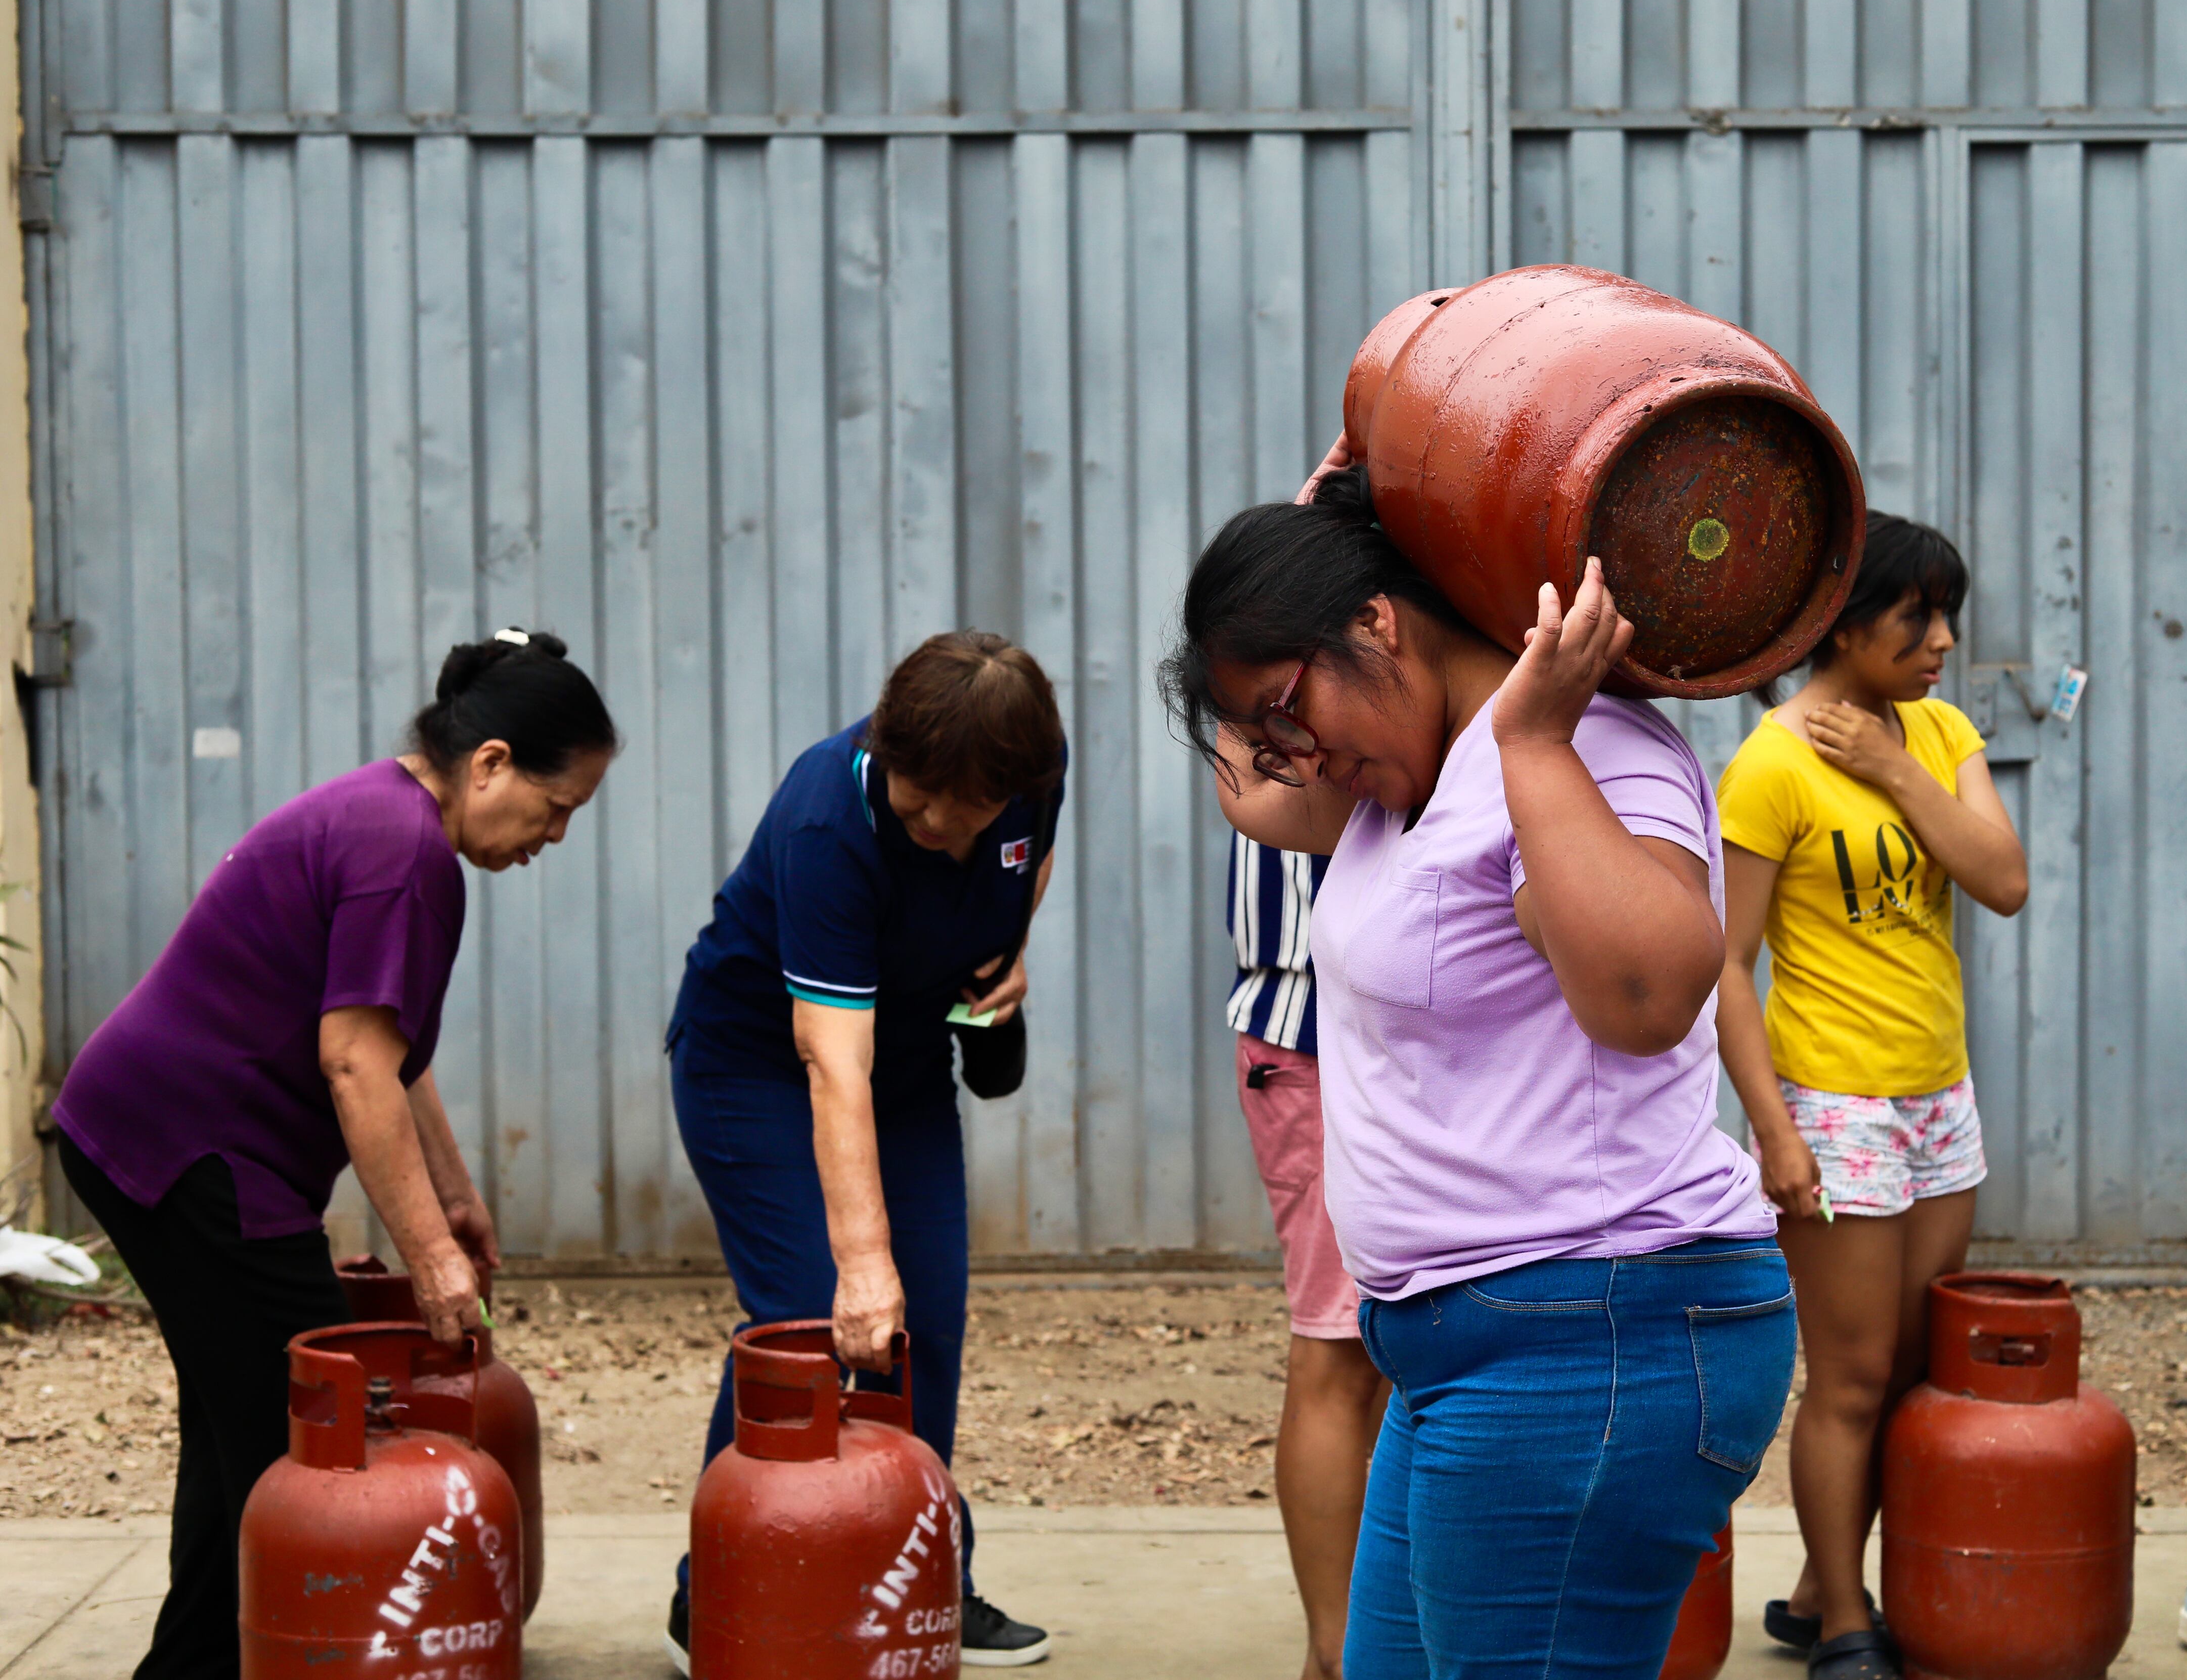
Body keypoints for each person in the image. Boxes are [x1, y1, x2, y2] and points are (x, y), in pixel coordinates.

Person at [1163, 452, 1795, 1680]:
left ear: (1378, 624)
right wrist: (1313, 544)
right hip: (1468, 1348)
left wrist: (1540, 738)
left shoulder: (1594, 746)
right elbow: (1256, 794)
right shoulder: (1391, 777)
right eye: (1264, 726)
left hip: (1595, 1333)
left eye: (1292, 707)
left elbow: (1652, 995)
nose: (1285, 751)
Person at [50, 629, 617, 1680]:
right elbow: (354, 1065)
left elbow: (387, 1048)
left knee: (244, 1433)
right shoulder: (403, 853)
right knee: (304, 1439)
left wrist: (452, 1199)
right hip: (196, 1153)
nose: (556, 834)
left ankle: (194, 1664)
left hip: (155, 1133)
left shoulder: (387, 816)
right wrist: (433, 1263)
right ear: (490, 762)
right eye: (557, 806)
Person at [663, 631, 1065, 1671]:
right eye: (912, 791)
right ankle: (713, 1593)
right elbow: (828, 1059)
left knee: (922, 1321)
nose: (924, 817)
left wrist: (1009, 955)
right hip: (754, 1063)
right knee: (813, 1314)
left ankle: (923, 1575)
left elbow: (1033, 852)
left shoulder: (1032, 781)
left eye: (953, 805)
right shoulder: (827, 819)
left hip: (906, 1059)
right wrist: (862, 1255)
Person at [1712, 514, 2027, 1680]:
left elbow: (2001, 879)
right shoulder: (1769, 763)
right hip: (1835, 1103)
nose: (1942, 640)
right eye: (1917, 617)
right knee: (1846, 1377)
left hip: (1937, 1094)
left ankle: (1814, 1583)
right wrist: (1773, 1127)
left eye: (1946, 615)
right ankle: (1848, 1620)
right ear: (1842, 624)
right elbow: (1723, 967)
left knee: (1907, 1364)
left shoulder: (1939, 732)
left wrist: (1897, 765)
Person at [1228, 830, 1387, 1680]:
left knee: (1414, 1341)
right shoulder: (1294, 710)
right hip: (1319, 1026)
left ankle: (1379, 1639)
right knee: (1337, 1344)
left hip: (1412, 1024)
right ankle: (1337, 1654)